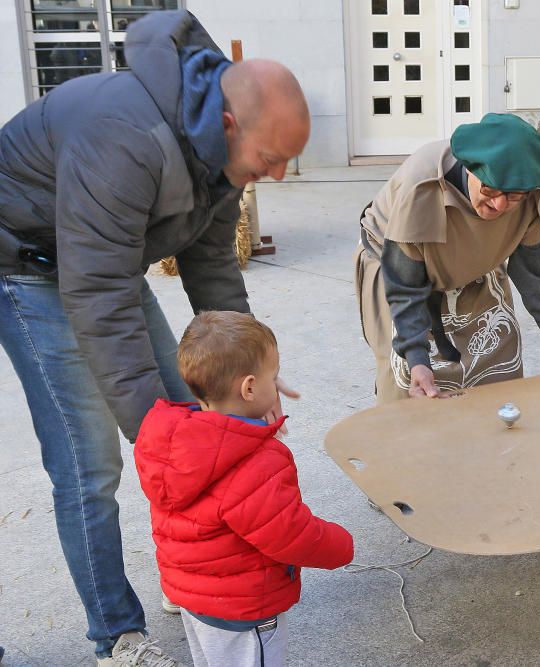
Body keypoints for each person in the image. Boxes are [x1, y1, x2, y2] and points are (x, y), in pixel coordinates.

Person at [0, 10, 309, 664]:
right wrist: (162, 434)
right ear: (229, 124)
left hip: (101, 261)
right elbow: (100, 303)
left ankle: (192, 571)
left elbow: (212, 264)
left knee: (199, 413)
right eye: (272, 159)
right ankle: (117, 632)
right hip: (31, 269)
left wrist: (251, 364)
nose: (277, 176)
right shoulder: (125, 135)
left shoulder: (219, 152)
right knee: (93, 460)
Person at [134, 312, 354, 667]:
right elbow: (289, 533)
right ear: (249, 387)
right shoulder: (254, 461)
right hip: (244, 610)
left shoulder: (176, 445)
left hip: (195, 599)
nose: (277, 383)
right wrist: (341, 544)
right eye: (274, 375)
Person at [355, 112, 540, 402]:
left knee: (496, 371)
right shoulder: (421, 188)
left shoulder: (532, 189)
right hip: (395, 272)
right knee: (411, 383)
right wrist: (417, 358)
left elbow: (534, 275)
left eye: (514, 196)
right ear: (470, 169)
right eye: (489, 189)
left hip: (475, 266)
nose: (500, 204)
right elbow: (405, 286)